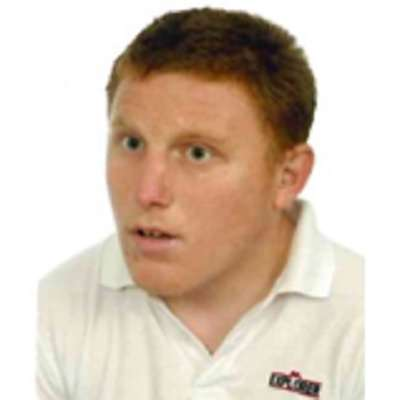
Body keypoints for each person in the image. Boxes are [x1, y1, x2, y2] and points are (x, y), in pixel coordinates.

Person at [37, 7, 364, 400]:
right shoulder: (51, 311)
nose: (147, 191)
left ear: (287, 176)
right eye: (132, 143)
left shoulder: (368, 322)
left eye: (197, 153)